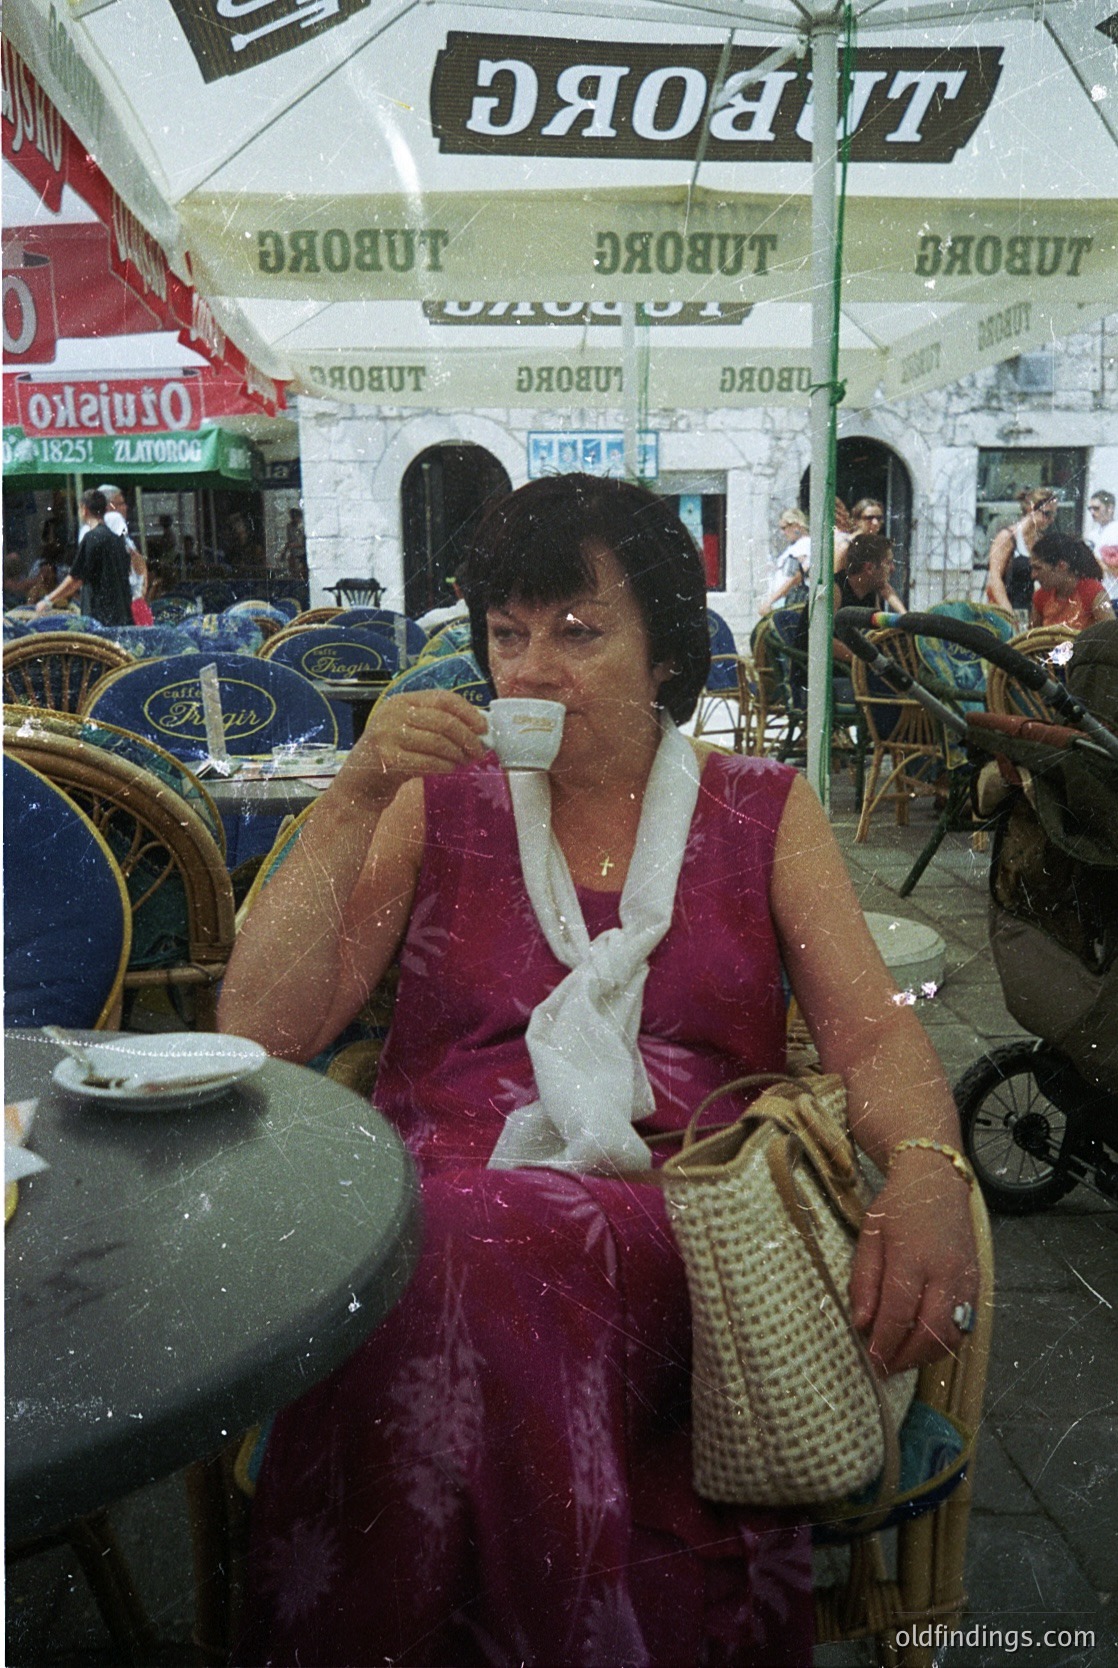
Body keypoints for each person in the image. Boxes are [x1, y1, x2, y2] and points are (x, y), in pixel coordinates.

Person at [218, 474, 977, 1668]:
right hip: (442, 1226)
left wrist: (927, 1170)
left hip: (683, 1231)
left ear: (665, 653)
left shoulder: (761, 811)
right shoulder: (436, 803)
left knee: (453, 1248)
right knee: (451, 1241)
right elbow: (265, 1029)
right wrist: (355, 793)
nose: (528, 671)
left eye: (578, 633)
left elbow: (872, 1033)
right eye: (506, 636)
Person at [35, 490, 131, 625]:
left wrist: (48, 600)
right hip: (122, 617)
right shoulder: (117, 540)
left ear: (84, 509)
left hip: (99, 619)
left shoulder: (91, 538)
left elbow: (76, 578)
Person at [832, 532, 906, 663]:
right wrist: (870, 662)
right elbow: (823, 642)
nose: (893, 568)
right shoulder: (835, 589)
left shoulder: (870, 590)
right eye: (888, 563)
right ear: (869, 568)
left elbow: (877, 634)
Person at [984, 488, 1058, 618]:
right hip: (1004, 610)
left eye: (1054, 515)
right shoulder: (1007, 537)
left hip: (1028, 612)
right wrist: (1009, 613)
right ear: (1031, 509)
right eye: (1047, 514)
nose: (1051, 520)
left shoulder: (1040, 541)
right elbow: (995, 578)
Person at [1029, 531, 1114, 631]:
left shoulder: (1092, 592)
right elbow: (1031, 641)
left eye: (1038, 568)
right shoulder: (1041, 597)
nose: (1033, 575)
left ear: (1062, 566)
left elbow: (1112, 638)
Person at [96, 483, 149, 609]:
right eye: (120, 504)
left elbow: (137, 559)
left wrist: (140, 592)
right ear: (107, 506)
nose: (125, 507)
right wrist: (140, 593)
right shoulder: (113, 519)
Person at [762, 508, 810, 611]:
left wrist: (771, 600)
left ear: (796, 525)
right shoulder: (796, 546)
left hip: (789, 602)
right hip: (782, 602)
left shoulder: (804, 545)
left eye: (784, 528)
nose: (783, 533)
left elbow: (796, 576)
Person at [1085, 489, 1118, 607]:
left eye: (1096, 508)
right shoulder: (1093, 534)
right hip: (1097, 594)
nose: (1092, 512)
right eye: (1090, 509)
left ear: (1110, 508)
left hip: (1114, 595)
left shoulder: (1115, 532)